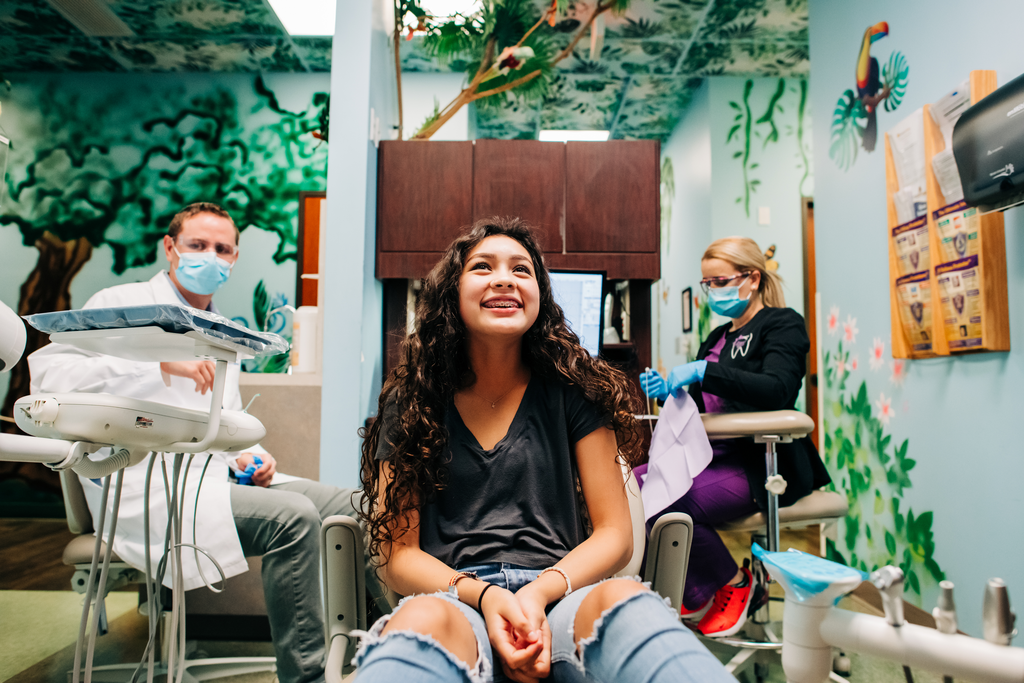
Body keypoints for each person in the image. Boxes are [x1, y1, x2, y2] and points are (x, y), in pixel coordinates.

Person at [354, 217, 734, 683]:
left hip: (561, 593)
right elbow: (398, 555)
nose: (504, 279)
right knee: (420, 620)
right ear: (452, 292)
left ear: (540, 296)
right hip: (455, 600)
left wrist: (538, 593)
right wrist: (485, 596)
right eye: (482, 267)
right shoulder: (412, 399)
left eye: (521, 269)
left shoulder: (576, 390)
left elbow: (615, 534)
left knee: (625, 601)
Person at [29, 202, 367, 683]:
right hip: (143, 488)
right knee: (293, 517)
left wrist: (253, 458)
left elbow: (224, 425)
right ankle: (307, 676)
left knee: (358, 506)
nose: (211, 256)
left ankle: (383, 648)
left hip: (209, 479)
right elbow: (49, 376)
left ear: (234, 258)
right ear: (170, 248)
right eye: (198, 245)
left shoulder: (221, 332)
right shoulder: (120, 303)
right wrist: (155, 360)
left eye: (222, 249)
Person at [640, 236, 831, 638]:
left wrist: (703, 372)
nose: (713, 291)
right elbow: (705, 402)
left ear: (753, 279)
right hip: (712, 456)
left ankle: (735, 584)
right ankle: (695, 589)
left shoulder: (782, 324)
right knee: (628, 487)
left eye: (721, 281)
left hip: (760, 465)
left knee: (665, 499)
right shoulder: (717, 337)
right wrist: (669, 391)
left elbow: (777, 390)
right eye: (708, 283)